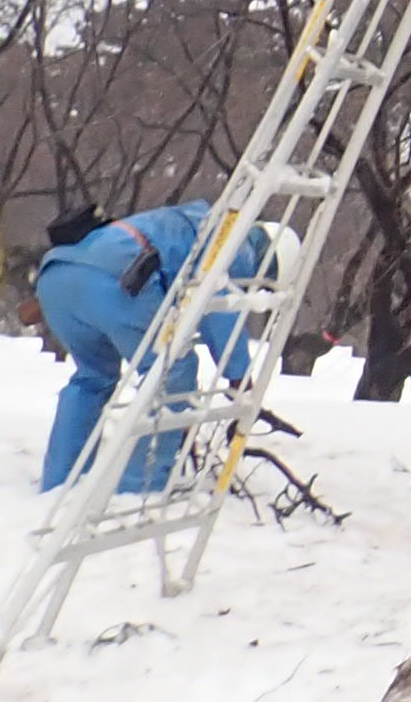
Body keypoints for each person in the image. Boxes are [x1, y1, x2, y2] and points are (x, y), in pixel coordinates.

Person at [25, 202, 273, 495]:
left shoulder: (192, 218)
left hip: (54, 276)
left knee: (92, 378)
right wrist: (239, 377)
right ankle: (141, 486)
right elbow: (219, 307)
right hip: (117, 281)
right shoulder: (233, 243)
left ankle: (60, 479)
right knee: (172, 372)